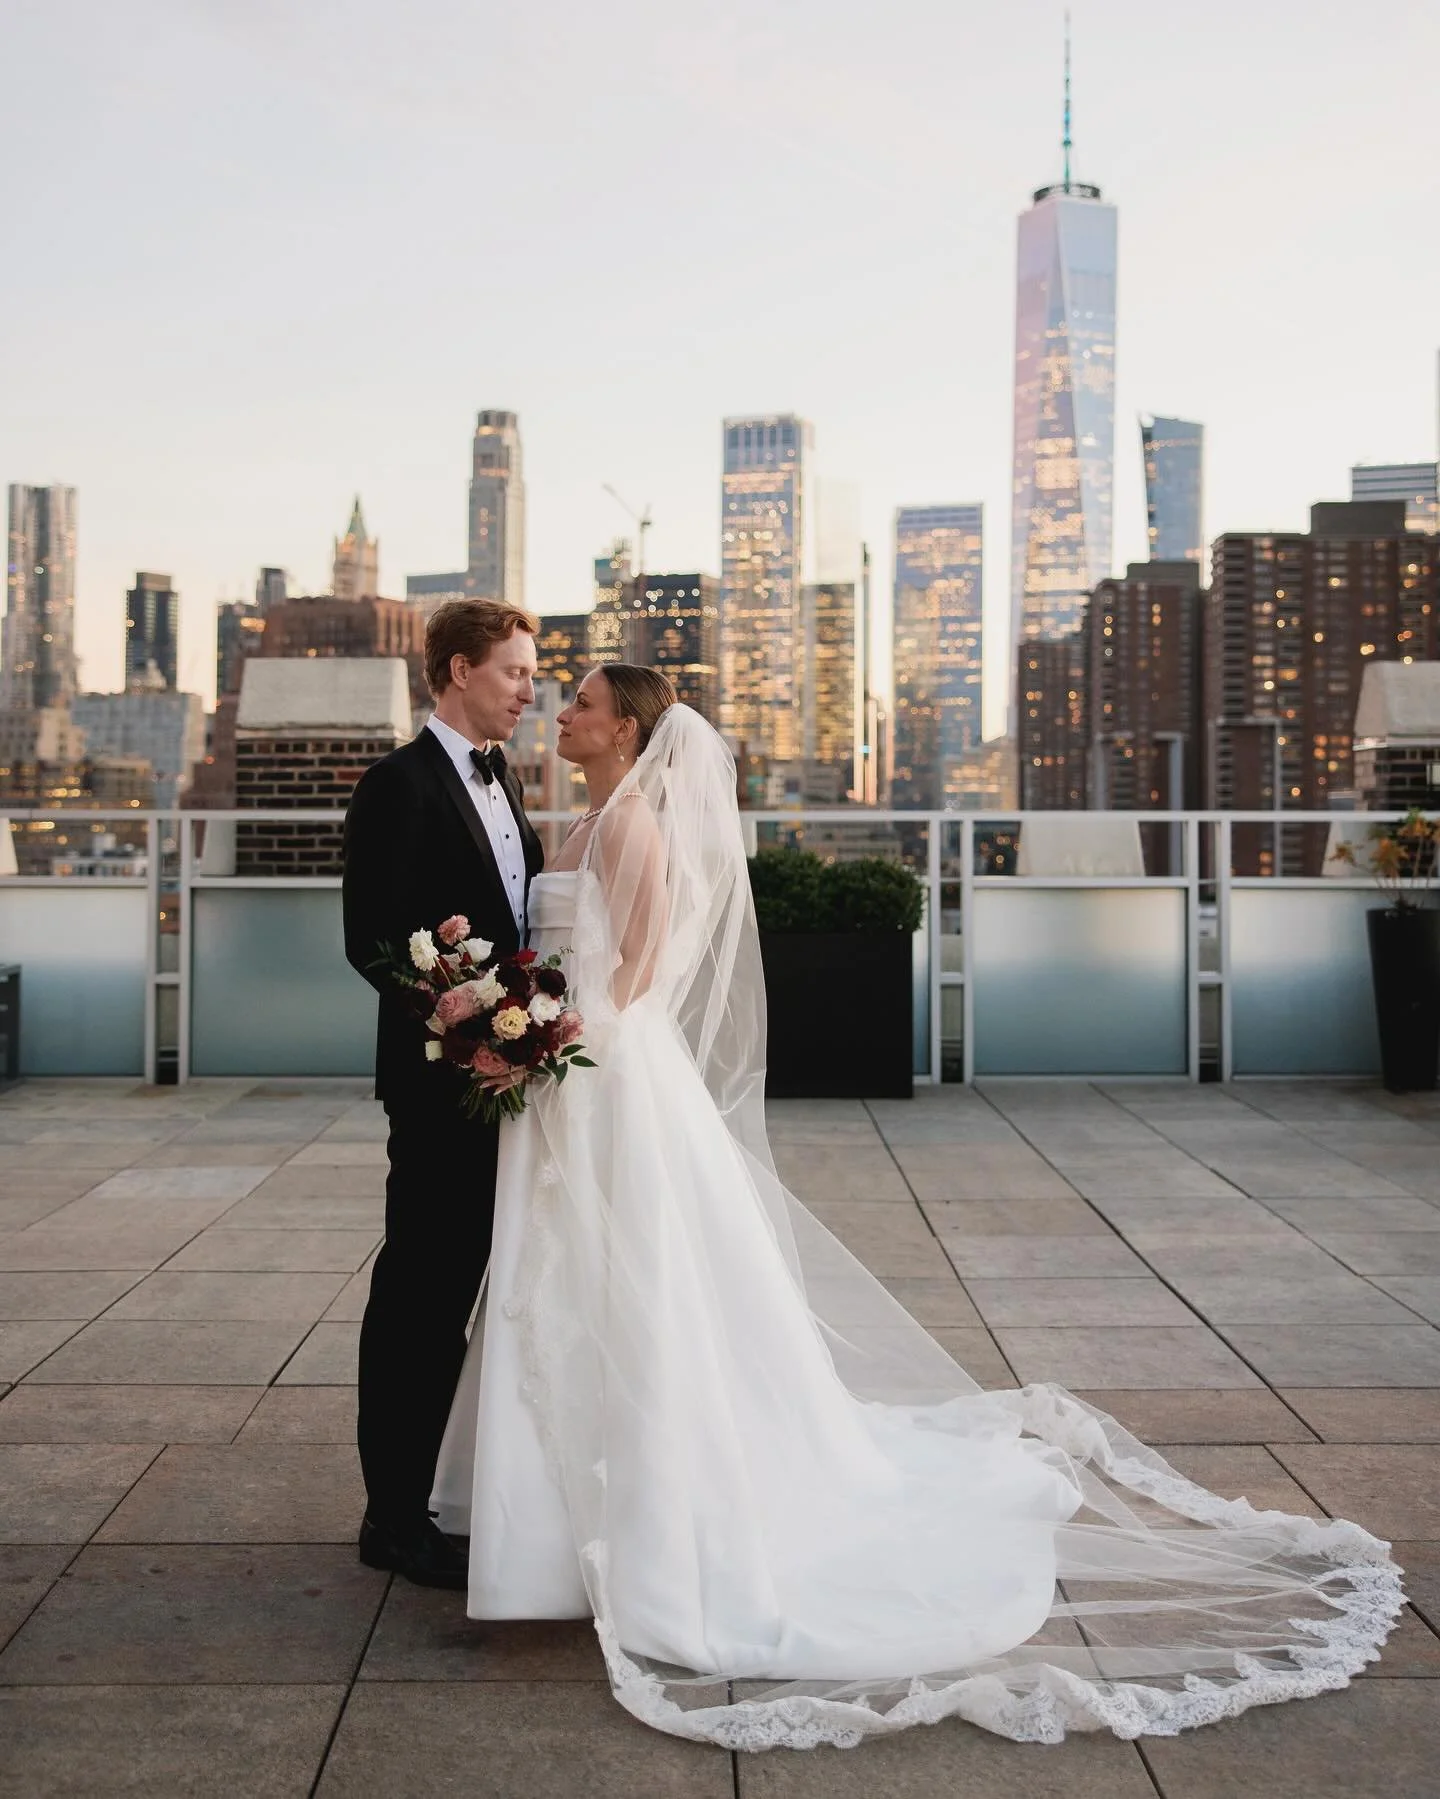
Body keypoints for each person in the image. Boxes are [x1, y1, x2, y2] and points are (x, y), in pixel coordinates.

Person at [432, 667, 1403, 1750]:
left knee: (635, 1282)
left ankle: (638, 1514)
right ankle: (552, 1525)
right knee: (567, 1280)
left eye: (580, 703)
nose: (560, 714)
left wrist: (551, 1028)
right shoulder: (583, 815)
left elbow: (644, 971)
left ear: (627, 727)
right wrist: (519, 1011)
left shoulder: (637, 826)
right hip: (565, 1072)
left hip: (604, 1071)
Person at [342, 599, 543, 1589]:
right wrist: (465, 1027)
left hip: (508, 1075)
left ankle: (440, 1489)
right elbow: (374, 942)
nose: (528, 689)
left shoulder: (505, 780)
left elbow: (516, 930)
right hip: (435, 1086)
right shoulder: (398, 784)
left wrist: (525, 1024)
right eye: (513, 670)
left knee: (468, 1284)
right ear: (459, 668)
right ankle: (391, 1514)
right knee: (421, 1290)